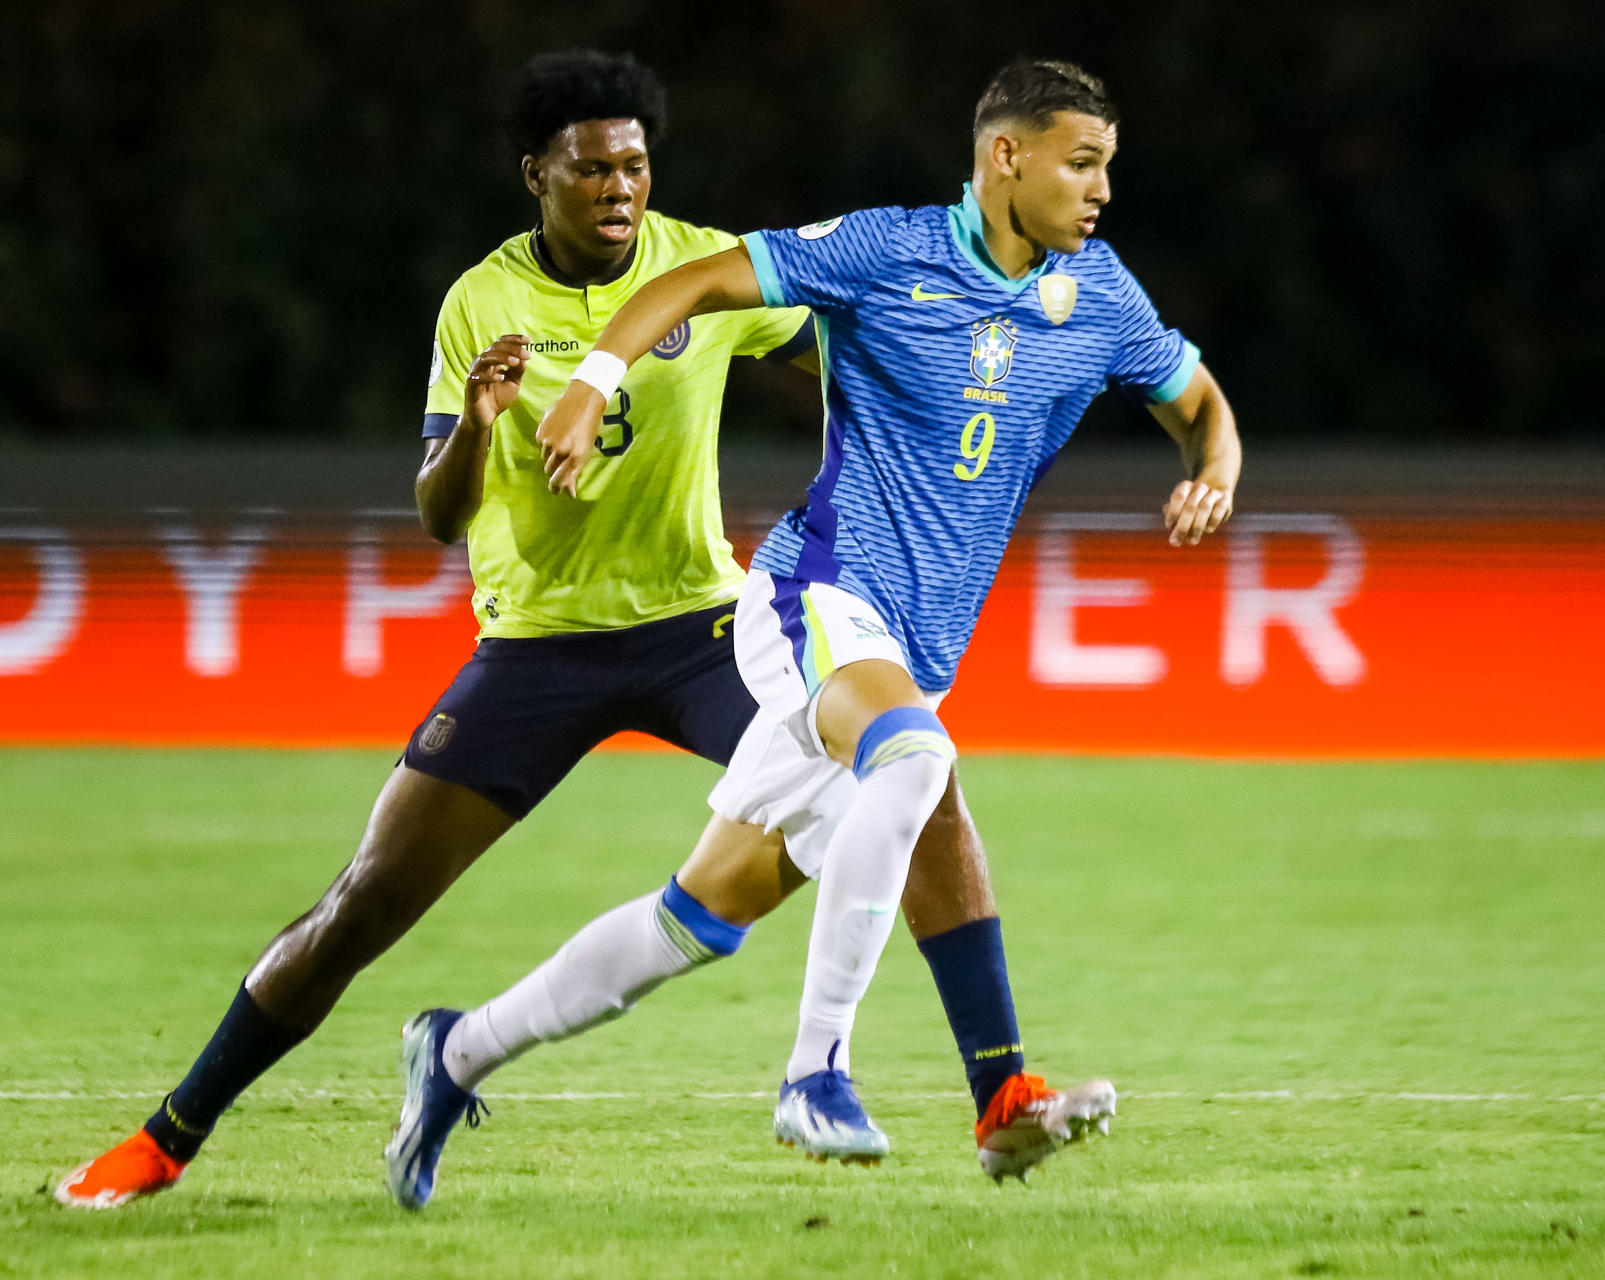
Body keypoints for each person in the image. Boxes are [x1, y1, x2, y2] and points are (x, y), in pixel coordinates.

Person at [55, 49, 1083, 1211]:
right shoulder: (481, 303)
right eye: (591, 169)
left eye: (635, 166)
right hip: (537, 649)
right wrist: (476, 428)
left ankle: (997, 1087)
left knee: (916, 772)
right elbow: (441, 520)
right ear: (535, 174)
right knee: (365, 902)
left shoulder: (701, 268)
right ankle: (169, 1135)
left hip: (700, 631)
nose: (618, 189)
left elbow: (859, 357)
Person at [533, 56, 1240, 1168]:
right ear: (1007, 155)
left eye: (1109, 166)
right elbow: (696, 282)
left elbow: (1200, 404)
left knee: (705, 908)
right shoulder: (889, 249)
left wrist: (1217, 470)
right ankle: (823, 1075)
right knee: (919, 771)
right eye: (1083, 163)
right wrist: (592, 382)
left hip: (918, 642)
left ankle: (459, 1050)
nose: (1102, 190)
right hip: (813, 593)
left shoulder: (1097, 294)